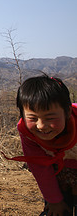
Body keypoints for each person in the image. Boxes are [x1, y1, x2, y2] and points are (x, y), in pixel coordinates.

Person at [5, 76, 77, 216]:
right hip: (57, 172)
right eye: (33, 118)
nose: (41, 126)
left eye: (50, 118)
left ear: (67, 112)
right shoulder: (27, 133)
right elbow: (39, 166)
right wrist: (54, 201)